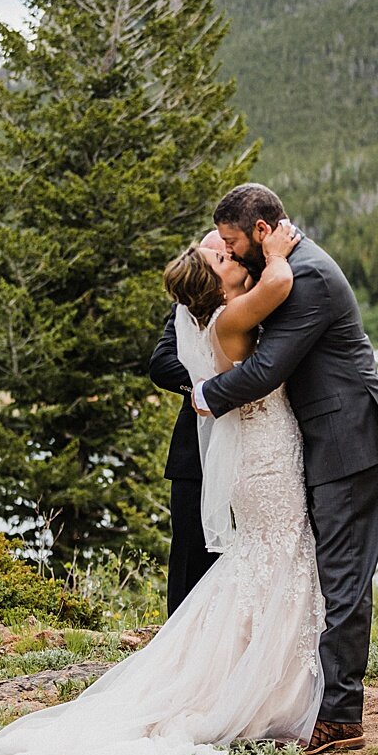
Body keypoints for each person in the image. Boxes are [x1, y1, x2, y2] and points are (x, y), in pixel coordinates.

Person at [0, 218, 322, 755]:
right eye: (220, 258)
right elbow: (280, 282)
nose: (231, 256)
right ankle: (263, 688)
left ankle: (256, 673)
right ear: (215, 285)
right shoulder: (234, 315)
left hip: (264, 450)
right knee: (277, 555)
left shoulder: (224, 313)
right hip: (262, 460)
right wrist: (279, 248)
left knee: (267, 562)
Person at [192, 183, 378, 755]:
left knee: (341, 574)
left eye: (235, 241)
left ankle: (342, 717)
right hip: (325, 437)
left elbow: (266, 369)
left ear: (261, 232)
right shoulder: (283, 267)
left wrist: (205, 396)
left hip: (350, 438)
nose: (231, 252)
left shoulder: (305, 275)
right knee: (329, 568)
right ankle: (323, 699)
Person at [148, 234, 227, 614]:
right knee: (188, 557)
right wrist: (206, 387)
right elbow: (161, 364)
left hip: (251, 454)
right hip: (193, 458)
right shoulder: (186, 309)